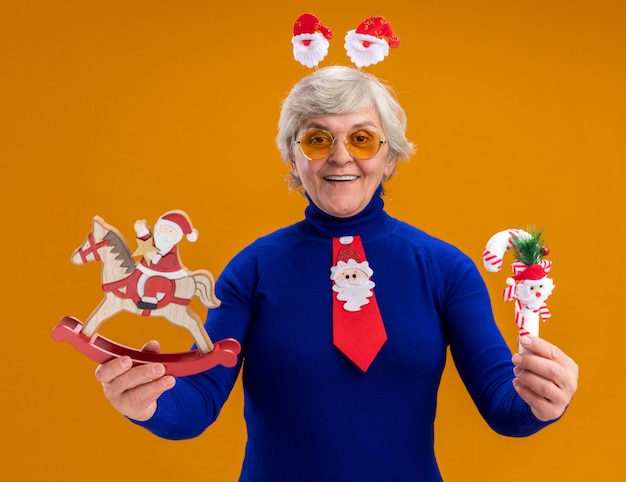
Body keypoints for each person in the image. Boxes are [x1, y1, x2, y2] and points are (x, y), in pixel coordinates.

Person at [94, 66, 578, 481]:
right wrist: (149, 403)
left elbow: (503, 404)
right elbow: (198, 402)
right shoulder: (252, 269)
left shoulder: (446, 269)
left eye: (362, 138)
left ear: (390, 158)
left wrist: (542, 401)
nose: (342, 156)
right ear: (293, 158)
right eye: (317, 138)